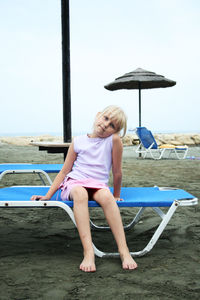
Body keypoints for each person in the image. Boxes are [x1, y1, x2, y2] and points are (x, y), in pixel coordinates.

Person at [31, 105, 137, 272]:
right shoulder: (78, 141)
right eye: (106, 118)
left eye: (112, 126)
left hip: (98, 185)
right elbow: (65, 170)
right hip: (75, 183)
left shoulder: (113, 140)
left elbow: (117, 172)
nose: (105, 125)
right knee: (80, 193)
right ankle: (88, 252)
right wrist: (48, 195)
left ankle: (124, 251)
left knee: (107, 197)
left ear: (115, 132)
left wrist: (116, 195)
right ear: (98, 115)